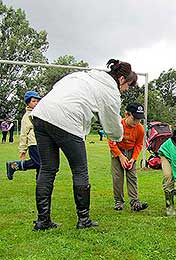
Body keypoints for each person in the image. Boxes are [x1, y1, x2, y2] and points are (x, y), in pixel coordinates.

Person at [30, 59, 137, 230]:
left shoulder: (84, 75)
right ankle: (84, 219)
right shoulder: (110, 90)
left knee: (47, 169)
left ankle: (43, 220)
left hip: (41, 115)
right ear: (122, 79)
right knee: (80, 171)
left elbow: (58, 86)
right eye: (128, 86)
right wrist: (118, 136)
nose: (126, 90)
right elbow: (113, 126)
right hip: (67, 120)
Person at [108, 102, 148, 212]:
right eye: (134, 118)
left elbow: (139, 145)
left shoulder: (140, 129)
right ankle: (118, 201)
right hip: (117, 151)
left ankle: (134, 202)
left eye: (139, 119)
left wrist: (133, 159)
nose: (137, 122)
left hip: (131, 152)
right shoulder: (118, 125)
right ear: (126, 114)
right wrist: (120, 156)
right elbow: (111, 141)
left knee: (132, 176)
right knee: (117, 177)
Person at [6, 91, 42, 180]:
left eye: (37, 101)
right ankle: (14, 165)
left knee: (41, 167)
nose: (36, 103)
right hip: (33, 143)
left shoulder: (40, 113)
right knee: (40, 164)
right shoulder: (27, 117)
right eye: (33, 101)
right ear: (28, 102)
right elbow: (23, 135)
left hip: (42, 143)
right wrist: (23, 150)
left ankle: (41, 187)